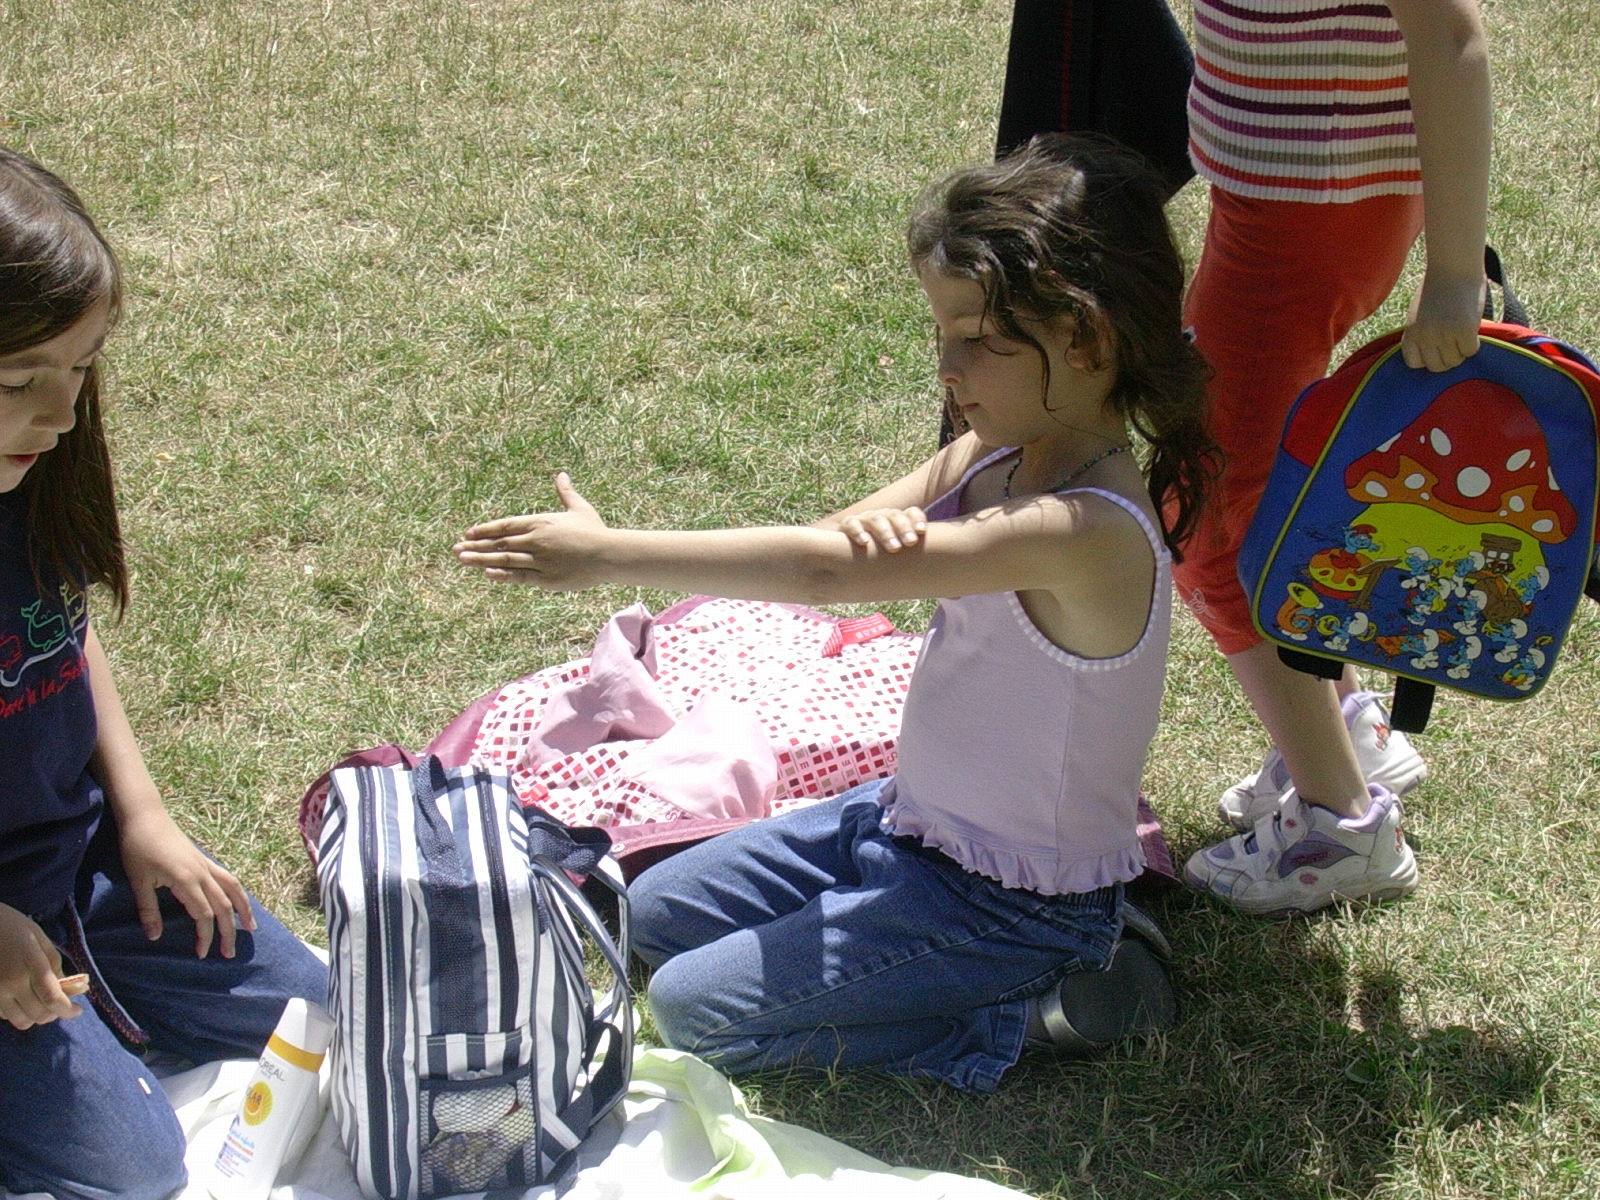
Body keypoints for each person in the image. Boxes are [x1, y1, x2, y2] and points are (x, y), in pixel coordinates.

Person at [456, 134, 1217, 1092]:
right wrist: (866, 551)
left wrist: (611, 554)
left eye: (977, 337)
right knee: (650, 913)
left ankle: (1055, 1002)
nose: (948, 367)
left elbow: (823, 574)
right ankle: (918, 942)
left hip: (1016, 901)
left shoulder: (1088, 530)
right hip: (908, 823)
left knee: (694, 1010)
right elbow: (829, 546)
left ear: (1088, 340)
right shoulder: (992, 453)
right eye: (940, 334)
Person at [0, 147, 327, 1200]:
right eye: (18, 381)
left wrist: (142, 816)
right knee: (133, 1169)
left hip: (77, 863)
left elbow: (62, 635)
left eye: (82, 368)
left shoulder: (25, 479)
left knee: (316, 1016)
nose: (61, 413)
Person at [1175, 0, 1492, 917]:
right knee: (1226, 490)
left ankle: (1342, 826)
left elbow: (1451, 35)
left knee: (1211, 515)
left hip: (1309, 200)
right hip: (1271, 189)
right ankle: (1348, 731)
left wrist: (1456, 274)